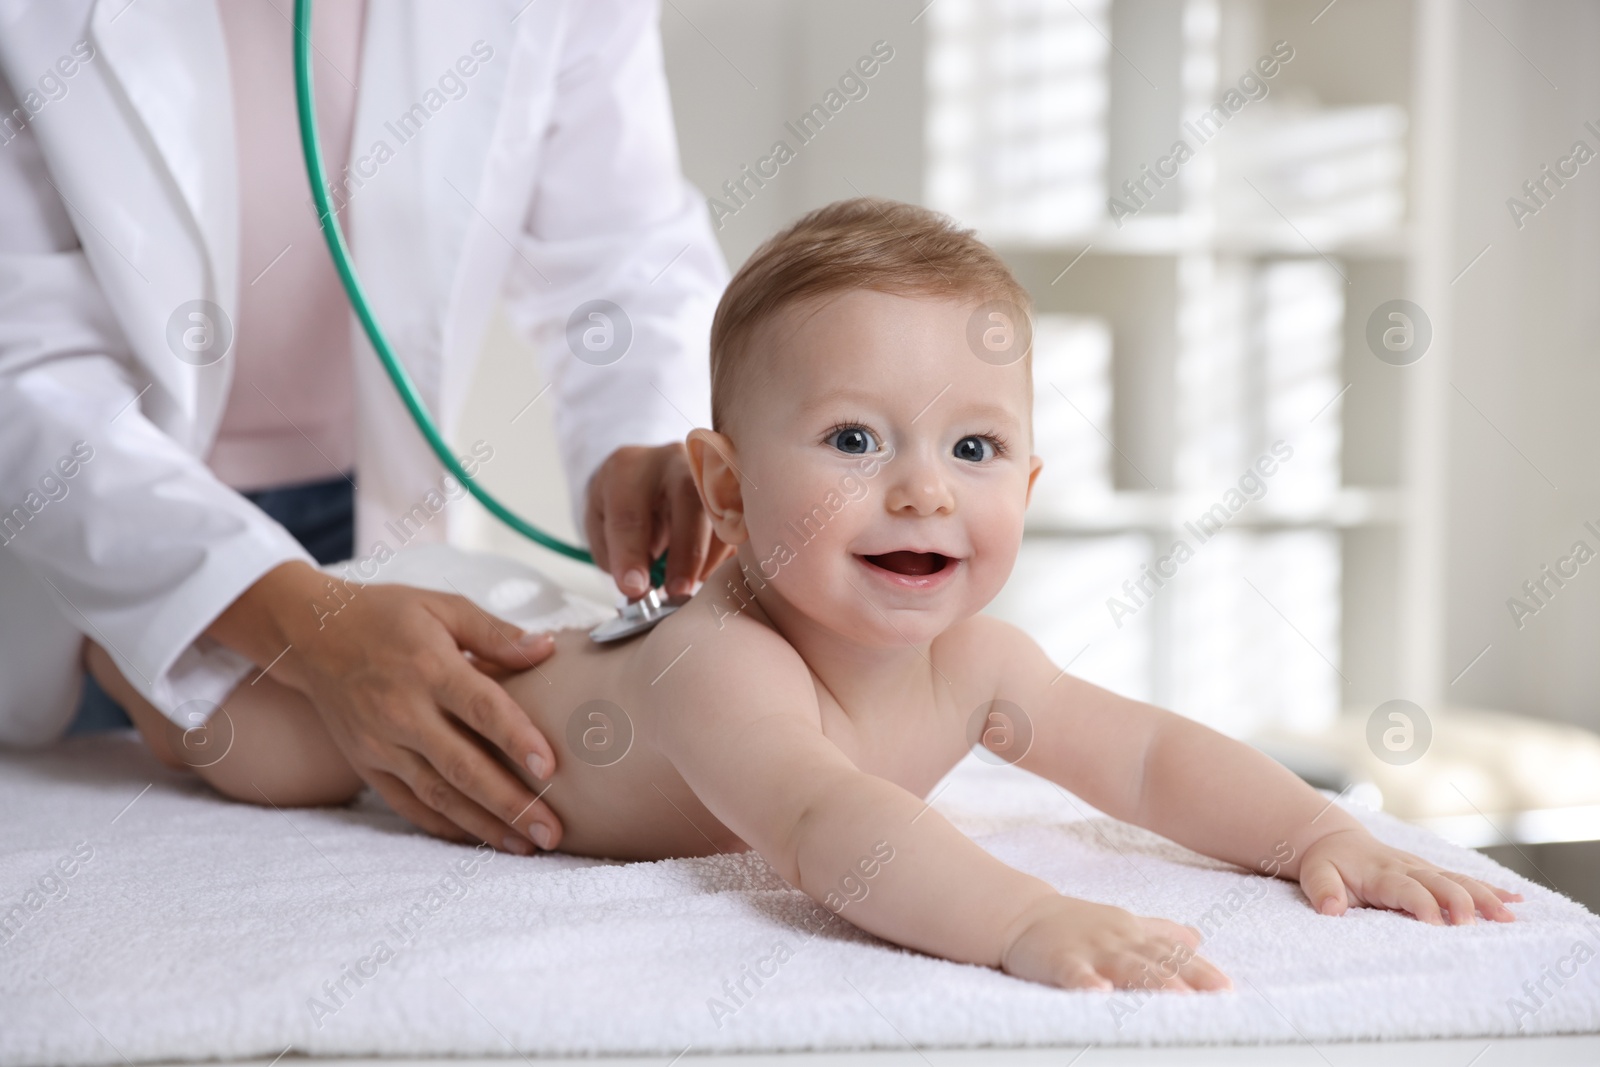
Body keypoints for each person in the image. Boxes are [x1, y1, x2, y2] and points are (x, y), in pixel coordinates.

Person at [88, 198, 1523, 991]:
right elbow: (835, 826)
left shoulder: (981, 661)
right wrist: (1023, 915)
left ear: (1027, 486)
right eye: (853, 439)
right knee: (258, 748)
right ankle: (126, 635)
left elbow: (1146, 752)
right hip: (473, 702)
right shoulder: (729, 669)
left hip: (564, 623)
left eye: (974, 447)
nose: (921, 489)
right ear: (719, 483)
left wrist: (1317, 830)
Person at [0, 1, 732, 854]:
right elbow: (24, 367)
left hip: (373, 523)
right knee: (256, 744)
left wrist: (643, 440)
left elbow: (625, 253)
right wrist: (277, 611)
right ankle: (117, 659)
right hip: (91, 542)